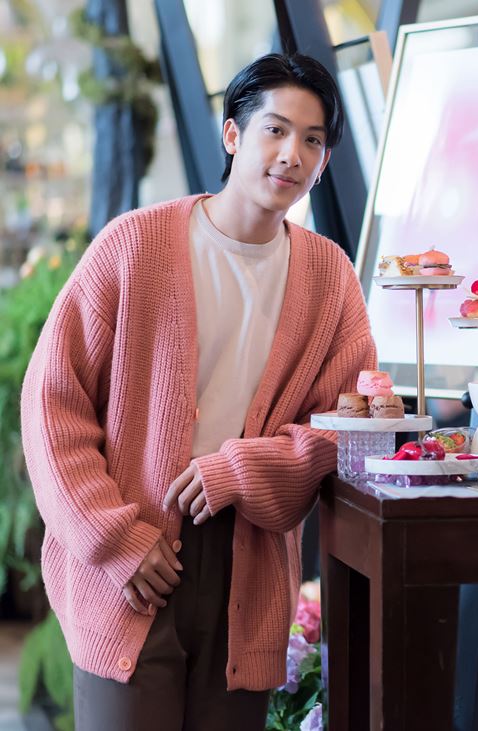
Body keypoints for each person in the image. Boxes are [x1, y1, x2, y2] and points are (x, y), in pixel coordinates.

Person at [21, 53, 376, 730]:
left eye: (312, 140)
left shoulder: (330, 277)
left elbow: (343, 425)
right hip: (132, 551)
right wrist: (113, 538)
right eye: (275, 129)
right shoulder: (135, 245)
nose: (292, 154)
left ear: (325, 160)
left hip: (249, 560)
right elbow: (51, 404)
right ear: (233, 134)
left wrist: (240, 469)